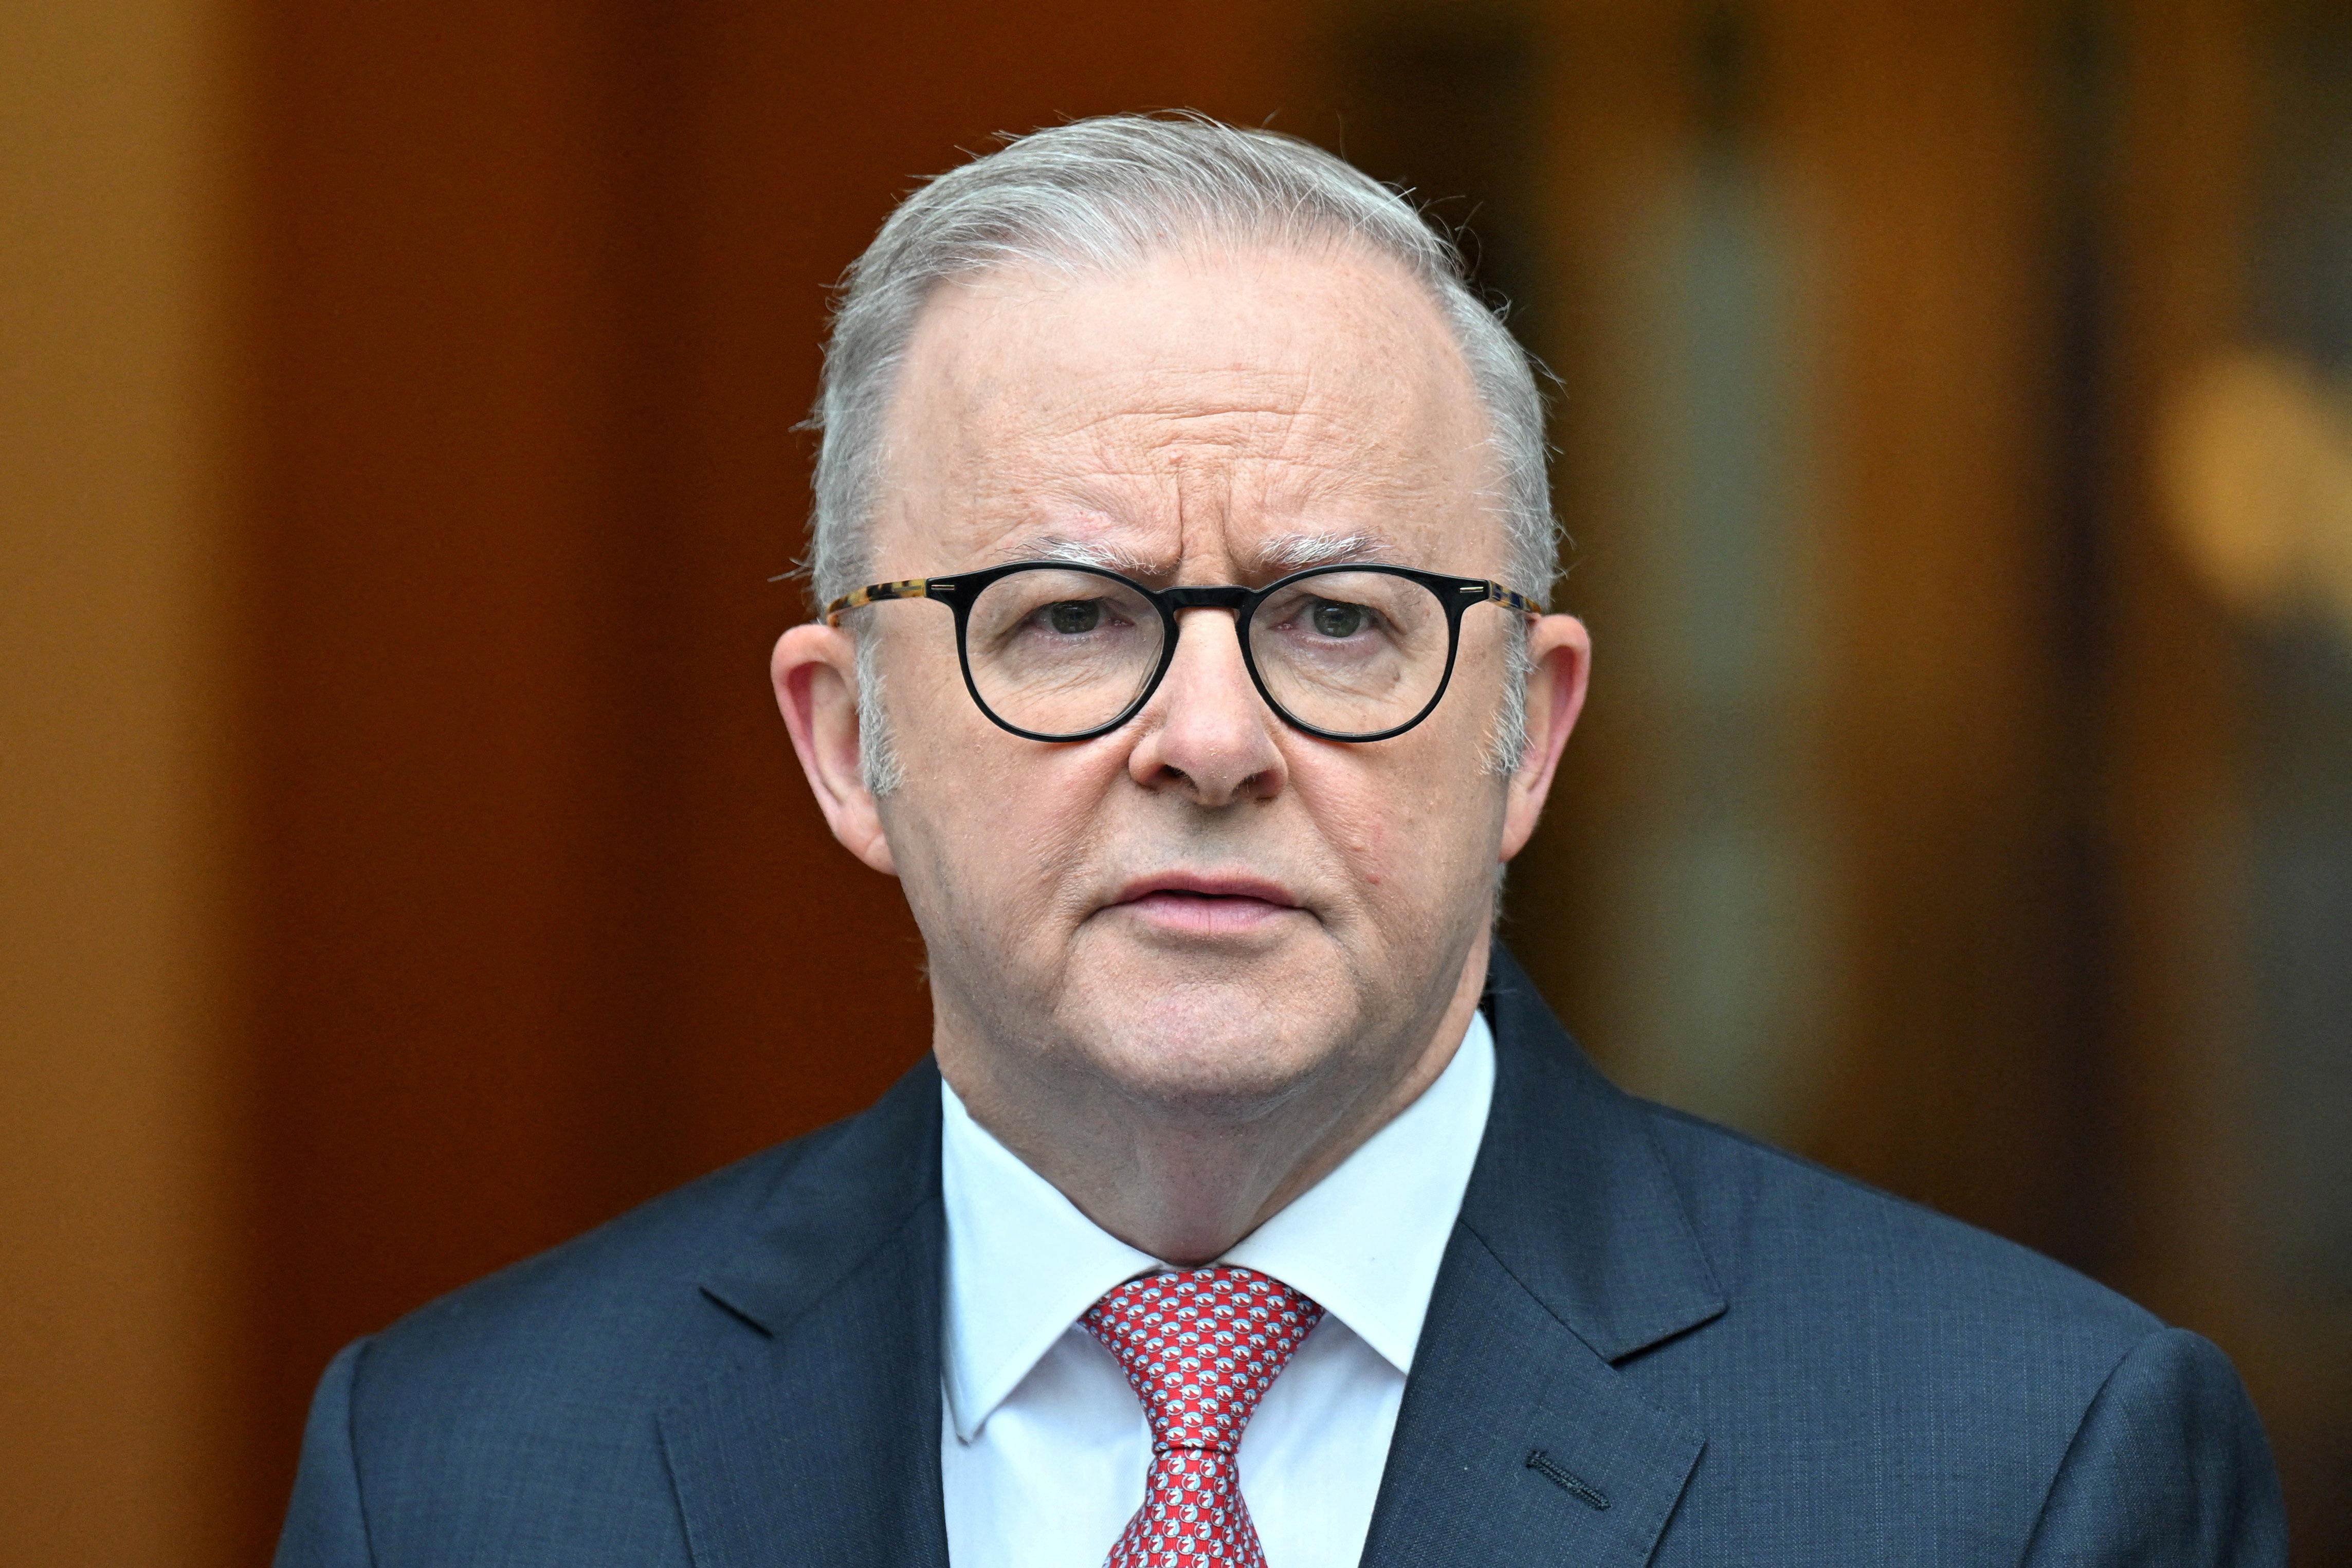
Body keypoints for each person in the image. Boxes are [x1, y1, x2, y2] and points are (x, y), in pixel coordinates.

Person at [274, 114, 2286, 1567]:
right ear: (845, 740)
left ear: (1527, 733)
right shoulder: (459, 1469)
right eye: (1068, 618)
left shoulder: (2019, 1468)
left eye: (1338, 620)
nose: (1211, 739)